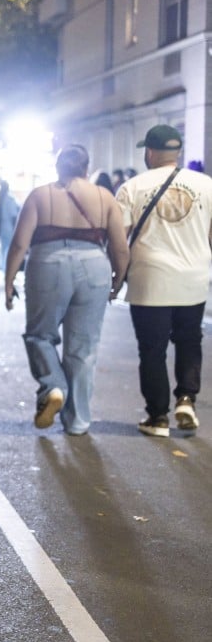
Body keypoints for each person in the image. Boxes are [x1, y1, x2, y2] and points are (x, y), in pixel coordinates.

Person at [4, 145, 128, 436]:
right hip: (94, 265)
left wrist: (9, 280)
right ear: (87, 167)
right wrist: (118, 280)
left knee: (39, 334)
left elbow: (20, 243)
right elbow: (120, 247)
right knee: (83, 348)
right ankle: (78, 421)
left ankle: (53, 387)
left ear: (58, 167)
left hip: (48, 263)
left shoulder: (40, 195)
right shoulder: (104, 197)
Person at [116, 124, 212, 437]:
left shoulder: (132, 187)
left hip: (149, 279)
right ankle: (186, 398)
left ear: (150, 152)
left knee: (152, 350)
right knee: (189, 340)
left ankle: (158, 417)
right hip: (193, 279)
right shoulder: (206, 186)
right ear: (179, 152)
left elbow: (119, 239)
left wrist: (117, 277)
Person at [0, 179, 19, 272]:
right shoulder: (10, 199)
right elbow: (14, 216)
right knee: (8, 249)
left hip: (3, 228)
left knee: (5, 249)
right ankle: (7, 270)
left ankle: (5, 269)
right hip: (9, 228)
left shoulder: (2, 198)